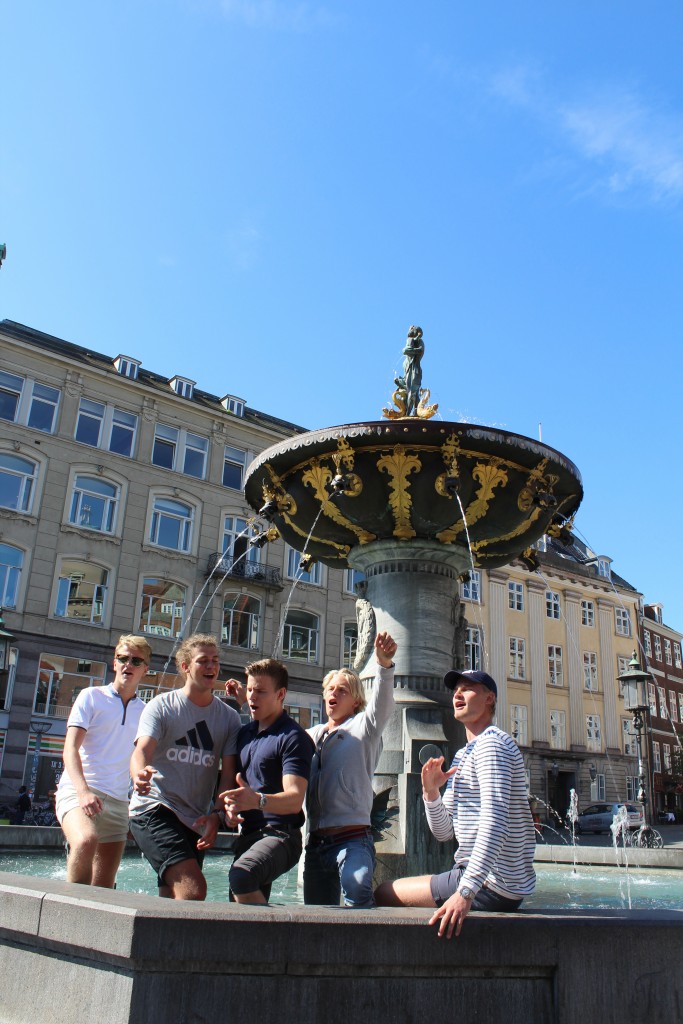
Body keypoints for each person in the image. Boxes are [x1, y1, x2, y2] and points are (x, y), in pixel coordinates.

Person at [375, 668, 536, 938]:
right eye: (456, 688)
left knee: (383, 892)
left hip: (490, 883)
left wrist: (465, 892)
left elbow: (495, 822)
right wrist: (430, 793)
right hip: (487, 880)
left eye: (469, 687)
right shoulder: (465, 754)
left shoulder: (492, 745)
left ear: (489, 699)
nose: (458, 693)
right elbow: (444, 832)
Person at [129, 634, 240, 900]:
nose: (212, 667)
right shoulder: (161, 707)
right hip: (155, 808)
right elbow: (141, 751)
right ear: (186, 666)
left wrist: (216, 814)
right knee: (193, 889)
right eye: (203, 661)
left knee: (171, 895)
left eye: (215, 661)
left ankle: (157, 942)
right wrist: (139, 774)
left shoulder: (229, 718)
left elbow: (226, 775)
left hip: (196, 820)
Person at [303, 630, 398, 908]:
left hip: (353, 839)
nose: (334, 693)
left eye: (342, 690)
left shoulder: (364, 727)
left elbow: (382, 704)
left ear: (355, 700)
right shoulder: (311, 735)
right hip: (316, 843)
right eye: (330, 689)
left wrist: (384, 666)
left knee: (358, 894)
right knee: (316, 915)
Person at [54, 635, 150, 887]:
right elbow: (70, 749)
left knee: (104, 886)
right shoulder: (91, 696)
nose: (128, 664)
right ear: (114, 662)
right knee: (85, 841)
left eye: (136, 660)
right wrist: (83, 791)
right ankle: (68, 911)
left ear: (145, 669)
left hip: (118, 802)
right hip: (79, 791)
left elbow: (141, 761)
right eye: (123, 658)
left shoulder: (146, 712)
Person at [222, 658, 313, 904]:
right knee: (238, 907)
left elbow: (294, 800)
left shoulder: (294, 738)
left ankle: (280, 935)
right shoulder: (245, 734)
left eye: (261, 691)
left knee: (241, 877)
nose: (253, 697)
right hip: (249, 834)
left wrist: (256, 801)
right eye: (250, 690)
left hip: (281, 837)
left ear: (281, 694)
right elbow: (241, 792)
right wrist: (232, 809)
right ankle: (266, 940)